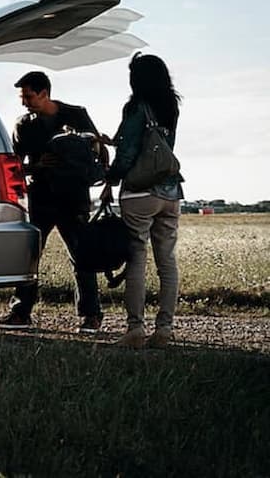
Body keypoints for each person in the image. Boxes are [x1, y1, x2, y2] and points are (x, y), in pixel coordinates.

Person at [0, 71, 105, 333]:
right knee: (29, 258)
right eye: (22, 97)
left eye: (28, 96)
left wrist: (103, 181)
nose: (24, 103)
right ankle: (20, 313)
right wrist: (37, 167)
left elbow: (97, 152)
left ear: (44, 93)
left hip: (73, 197)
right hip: (41, 198)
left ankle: (91, 316)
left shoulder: (77, 115)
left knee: (82, 256)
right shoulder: (23, 125)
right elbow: (14, 166)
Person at [101, 53, 184, 348]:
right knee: (167, 262)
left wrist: (110, 179)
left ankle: (135, 329)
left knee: (137, 258)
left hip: (140, 192)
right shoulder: (171, 106)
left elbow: (128, 154)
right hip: (171, 192)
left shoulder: (136, 107)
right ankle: (164, 329)